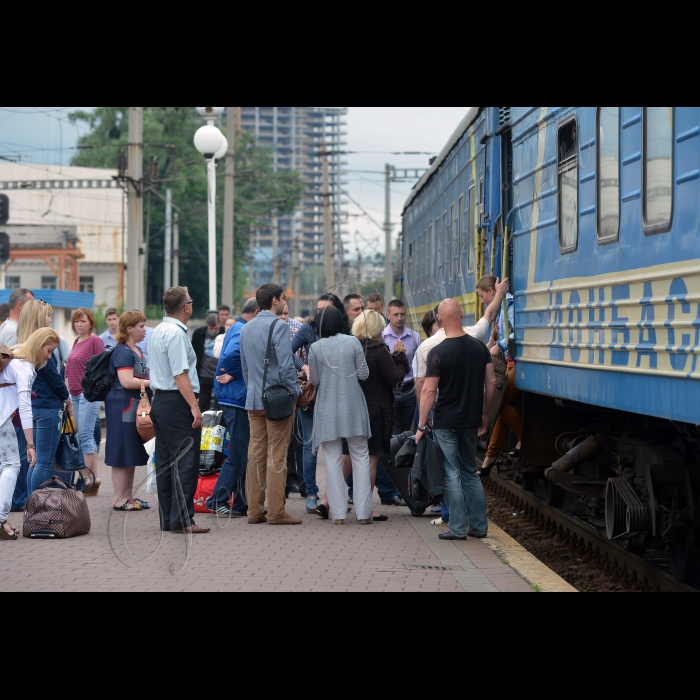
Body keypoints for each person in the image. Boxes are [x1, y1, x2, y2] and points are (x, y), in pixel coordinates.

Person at [416, 299, 497, 541]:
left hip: (446, 420)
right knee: (469, 472)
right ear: (462, 314)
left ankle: (458, 528)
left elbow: (429, 391)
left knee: (452, 472)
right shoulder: (479, 347)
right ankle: (480, 527)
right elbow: (491, 383)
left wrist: (421, 424)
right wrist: (484, 412)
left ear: (439, 319)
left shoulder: (437, 352)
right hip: (471, 419)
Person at [148, 286, 209, 535]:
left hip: (161, 401)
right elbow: (179, 374)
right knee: (185, 462)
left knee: (164, 463)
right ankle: (183, 520)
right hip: (177, 402)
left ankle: (169, 519)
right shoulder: (176, 334)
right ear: (186, 307)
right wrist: (194, 407)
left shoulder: (158, 331)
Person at [240, 283, 301, 526]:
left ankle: (254, 511)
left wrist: (253, 388)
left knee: (255, 454)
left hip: (253, 399)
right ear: (275, 300)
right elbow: (287, 366)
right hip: (276, 401)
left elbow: (244, 367)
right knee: (277, 456)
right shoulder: (279, 326)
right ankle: (276, 513)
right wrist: (295, 392)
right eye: (283, 299)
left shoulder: (246, 328)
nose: (284, 303)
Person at [308, 306, 373, 525]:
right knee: (361, 457)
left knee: (332, 461)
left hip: (327, 408)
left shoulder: (315, 348)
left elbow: (315, 382)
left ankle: (337, 514)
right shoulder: (353, 342)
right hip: (353, 407)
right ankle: (364, 513)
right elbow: (364, 375)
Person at [0, 329, 60, 541]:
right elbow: (25, 408)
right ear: (39, 345)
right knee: (11, 466)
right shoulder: (24, 368)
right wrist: (30, 445)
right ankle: (1, 518)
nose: (49, 356)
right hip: (1, 420)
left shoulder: (14, 356)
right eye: (49, 350)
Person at [351, 309, 410, 522]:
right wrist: (401, 356)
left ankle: (348, 503)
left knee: (354, 458)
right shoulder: (378, 350)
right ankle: (366, 509)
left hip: (354, 411)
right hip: (377, 413)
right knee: (371, 461)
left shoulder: (352, 347)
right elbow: (394, 377)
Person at [292, 293, 347, 514]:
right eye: (319, 310)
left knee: (338, 445)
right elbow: (286, 350)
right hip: (312, 394)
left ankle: (334, 495)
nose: (321, 314)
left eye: (327, 310)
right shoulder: (307, 329)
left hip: (336, 392)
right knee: (310, 444)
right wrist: (303, 366)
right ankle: (312, 493)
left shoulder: (343, 331)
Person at [207, 298, 260, 517]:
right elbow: (230, 356)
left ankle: (240, 503)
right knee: (238, 454)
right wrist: (235, 373)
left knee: (242, 453)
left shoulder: (238, 326)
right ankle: (216, 499)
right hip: (235, 398)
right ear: (256, 313)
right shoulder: (242, 330)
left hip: (233, 396)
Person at [16, 299, 72, 496]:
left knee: (35, 459)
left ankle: (32, 505)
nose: (50, 319)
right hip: (48, 406)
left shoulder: (26, 342)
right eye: (48, 315)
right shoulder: (41, 346)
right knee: (44, 460)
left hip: (34, 406)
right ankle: (37, 508)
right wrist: (67, 398)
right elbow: (54, 378)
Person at [105, 310, 152, 512]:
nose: (144, 330)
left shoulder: (135, 349)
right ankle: (119, 498)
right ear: (129, 328)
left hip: (131, 404)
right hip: (122, 405)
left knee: (130, 451)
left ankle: (128, 497)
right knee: (121, 451)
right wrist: (153, 383)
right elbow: (126, 381)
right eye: (141, 326)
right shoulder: (123, 351)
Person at [477, 276, 523, 477]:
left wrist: (499, 346)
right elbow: (495, 338)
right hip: (509, 365)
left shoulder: (509, 306)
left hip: (517, 365)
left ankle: (523, 439)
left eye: (482, 295)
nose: (481, 300)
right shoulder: (499, 311)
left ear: (491, 291)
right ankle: (490, 458)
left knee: (499, 403)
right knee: (500, 408)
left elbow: (517, 333)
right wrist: (487, 347)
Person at [65, 308, 105, 496]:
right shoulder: (76, 341)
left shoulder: (95, 340)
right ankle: (93, 478)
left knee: (85, 436)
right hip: (74, 394)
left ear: (90, 322)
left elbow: (104, 366)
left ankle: (85, 479)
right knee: (83, 436)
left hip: (88, 394)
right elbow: (69, 368)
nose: (79, 325)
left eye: (83, 321)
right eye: (76, 321)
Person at [276, 301, 304, 498]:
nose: (284, 317)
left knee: (300, 439)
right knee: (282, 440)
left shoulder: (298, 329)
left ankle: (303, 484)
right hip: (277, 392)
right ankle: (285, 484)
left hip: (298, 389)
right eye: (280, 314)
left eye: (286, 313)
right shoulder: (270, 331)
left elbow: (302, 356)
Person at [382, 299, 421, 434]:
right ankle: (394, 455)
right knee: (392, 430)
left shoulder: (414, 337)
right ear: (388, 315)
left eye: (402, 314)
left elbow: (418, 363)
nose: (400, 318)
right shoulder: (382, 337)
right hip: (390, 389)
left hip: (409, 389)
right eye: (396, 314)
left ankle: (402, 455)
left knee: (405, 431)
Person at [193, 313, 224, 412]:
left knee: (220, 403)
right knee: (203, 403)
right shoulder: (199, 333)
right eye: (211, 328)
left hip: (219, 374)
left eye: (216, 328)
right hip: (204, 373)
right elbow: (194, 353)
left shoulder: (224, 333)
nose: (214, 331)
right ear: (207, 325)